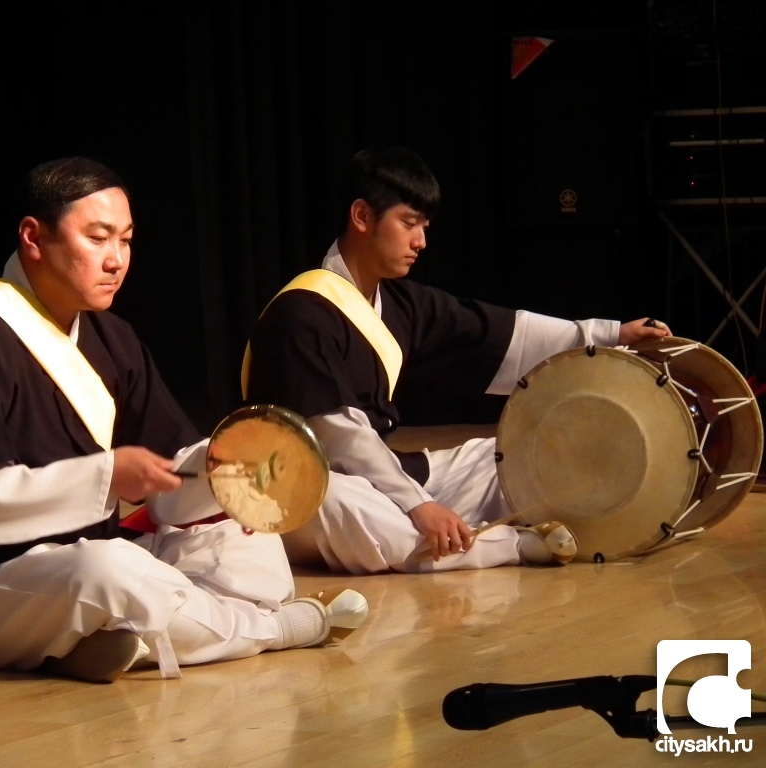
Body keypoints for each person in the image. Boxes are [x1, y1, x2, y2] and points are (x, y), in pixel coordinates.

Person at [0, 157, 368, 683]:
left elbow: (170, 484)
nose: (116, 260)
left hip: (90, 556)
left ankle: (102, 640)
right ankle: (276, 630)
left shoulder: (111, 337)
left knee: (247, 544)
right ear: (33, 237)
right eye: (98, 238)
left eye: (125, 240)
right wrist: (106, 475)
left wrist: (229, 472)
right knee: (109, 573)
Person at [242, 146, 671, 575]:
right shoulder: (301, 312)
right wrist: (419, 505)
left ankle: (455, 534)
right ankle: (512, 545)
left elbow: (499, 334)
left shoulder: (401, 303)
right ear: (361, 216)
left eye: (424, 227)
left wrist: (611, 335)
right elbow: (339, 438)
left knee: (513, 452)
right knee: (348, 508)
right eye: (409, 224)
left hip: (380, 477)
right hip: (300, 486)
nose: (421, 242)